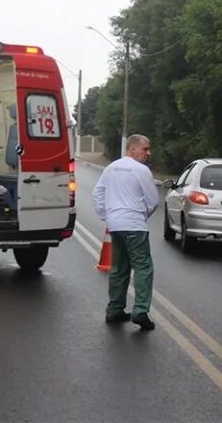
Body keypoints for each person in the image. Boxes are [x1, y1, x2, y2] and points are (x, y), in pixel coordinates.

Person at [93, 134, 160, 330]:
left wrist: (107, 215)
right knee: (143, 267)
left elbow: (98, 193)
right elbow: (153, 200)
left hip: (115, 225)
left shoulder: (110, 168)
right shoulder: (142, 170)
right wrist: (141, 215)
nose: (148, 153)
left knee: (119, 268)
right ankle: (140, 311)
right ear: (132, 149)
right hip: (134, 225)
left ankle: (114, 310)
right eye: (145, 149)